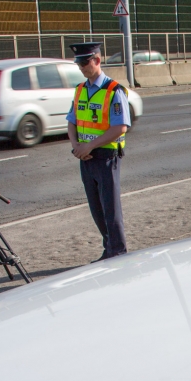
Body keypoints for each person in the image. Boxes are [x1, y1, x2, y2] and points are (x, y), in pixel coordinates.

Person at [67, 42, 132, 262]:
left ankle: (118, 253)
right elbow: (72, 121)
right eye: (79, 63)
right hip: (86, 157)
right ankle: (109, 248)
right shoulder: (80, 90)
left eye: (85, 62)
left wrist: (89, 146)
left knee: (110, 209)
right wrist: (77, 146)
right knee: (96, 209)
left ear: (97, 60)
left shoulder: (114, 91)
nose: (81, 67)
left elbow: (120, 127)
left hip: (106, 156)